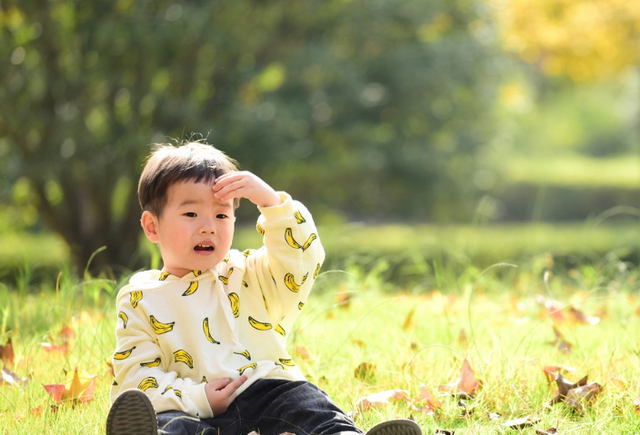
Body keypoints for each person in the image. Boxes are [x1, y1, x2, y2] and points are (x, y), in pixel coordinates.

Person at [106, 140, 422, 435]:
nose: (209, 226)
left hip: (266, 390)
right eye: (191, 214)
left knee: (308, 403)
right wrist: (198, 397)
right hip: (196, 409)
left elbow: (302, 261)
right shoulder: (141, 298)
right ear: (152, 226)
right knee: (172, 424)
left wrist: (273, 205)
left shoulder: (249, 271)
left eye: (221, 214)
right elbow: (137, 379)